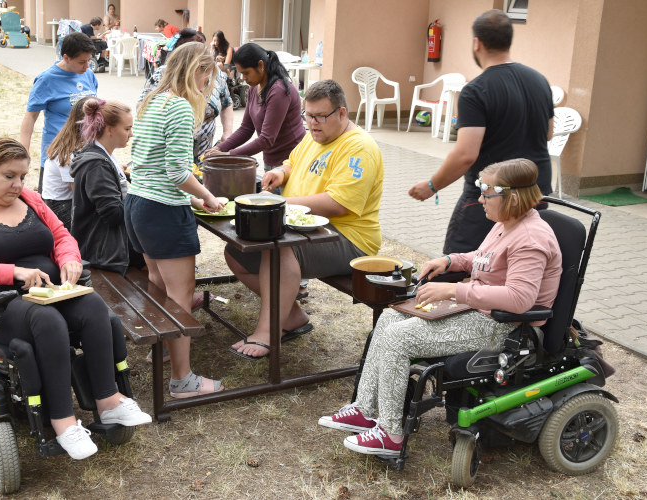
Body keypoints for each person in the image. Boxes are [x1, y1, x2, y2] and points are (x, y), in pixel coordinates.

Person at [321, 158, 561, 456]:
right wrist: (451, 261)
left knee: (400, 338)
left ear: (511, 197)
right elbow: (483, 258)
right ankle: (366, 410)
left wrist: (454, 290)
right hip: (481, 312)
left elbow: (519, 299)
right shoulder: (506, 224)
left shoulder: (531, 239)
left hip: (505, 327)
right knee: (389, 318)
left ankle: (390, 435)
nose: (480, 199)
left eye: (487, 193)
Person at [0, 138, 152, 460]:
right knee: (47, 321)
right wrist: (14, 272)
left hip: (50, 293)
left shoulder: (31, 200)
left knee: (93, 305)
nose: (18, 184)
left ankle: (109, 403)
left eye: (22, 176)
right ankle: (63, 422)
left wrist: (69, 260)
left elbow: (63, 235)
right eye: (9, 176)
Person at [226, 80, 383, 360]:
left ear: (342, 113)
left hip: (349, 239)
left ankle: (267, 332)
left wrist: (279, 202)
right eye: (307, 116)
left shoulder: (359, 147)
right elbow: (293, 161)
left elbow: (338, 204)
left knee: (281, 249)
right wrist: (282, 173)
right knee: (236, 252)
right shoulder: (315, 134)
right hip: (308, 229)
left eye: (320, 116)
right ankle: (292, 315)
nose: (312, 124)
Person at [408, 9, 555, 255]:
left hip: (492, 195)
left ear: (477, 43)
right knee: (517, 261)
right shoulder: (540, 81)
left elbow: (466, 154)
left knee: (454, 265)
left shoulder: (476, 90)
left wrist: (432, 185)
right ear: (508, 41)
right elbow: (548, 133)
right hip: (534, 192)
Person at [126, 42, 225, 397]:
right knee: (181, 294)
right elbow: (176, 171)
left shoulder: (152, 100)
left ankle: (165, 351)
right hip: (164, 209)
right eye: (207, 75)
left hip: (138, 203)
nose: (208, 83)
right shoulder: (181, 108)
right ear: (196, 70)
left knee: (158, 285)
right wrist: (208, 196)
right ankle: (183, 380)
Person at [204, 43, 305, 182]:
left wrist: (229, 155)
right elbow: (246, 128)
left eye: (246, 73)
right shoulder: (254, 87)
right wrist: (220, 148)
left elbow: (266, 139)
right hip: (271, 159)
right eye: (241, 73)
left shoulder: (278, 91)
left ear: (261, 65)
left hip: (290, 161)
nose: (244, 78)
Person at [69, 98, 143, 274]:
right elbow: (114, 214)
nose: (131, 134)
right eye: (127, 129)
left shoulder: (99, 154)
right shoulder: (97, 164)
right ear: (109, 129)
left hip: (104, 244)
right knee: (160, 245)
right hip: (103, 250)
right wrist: (142, 191)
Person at [138, 29, 234, 163]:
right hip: (170, 160)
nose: (203, 90)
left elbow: (227, 103)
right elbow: (178, 173)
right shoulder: (164, 79)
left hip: (201, 154)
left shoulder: (214, 72)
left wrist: (227, 133)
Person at [20, 32, 98, 194]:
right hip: (58, 156)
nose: (87, 66)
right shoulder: (46, 79)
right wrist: (23, 153)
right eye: (82, 61)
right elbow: (30, 118)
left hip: (85, 153)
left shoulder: (88, 75)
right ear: (66, 57)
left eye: (89, 60)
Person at [42, 96, 92, 231]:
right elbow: (79, 193)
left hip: (71, 200)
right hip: (60, 206)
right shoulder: (70, 151)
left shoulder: (83, 143)